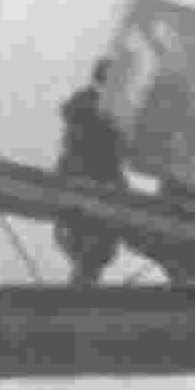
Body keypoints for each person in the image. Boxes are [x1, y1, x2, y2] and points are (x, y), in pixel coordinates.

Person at [54, 58, 127, 286]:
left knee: (90, 251)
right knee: (92, 249)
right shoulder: (97, 108)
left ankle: (82, 287)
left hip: (86, 186)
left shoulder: (86, 106)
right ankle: (83, 289)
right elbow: (102, 153)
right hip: (91, 187)